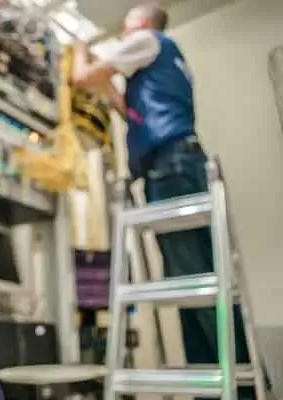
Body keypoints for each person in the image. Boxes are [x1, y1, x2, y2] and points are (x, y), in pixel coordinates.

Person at [71, 3, 256, 398]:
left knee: (196, 281)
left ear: (140, 23)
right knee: (190, 284)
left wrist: (77, 51)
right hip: (174, 166)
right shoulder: (160, 58)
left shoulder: (146, 41)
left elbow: (83, 77)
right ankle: (215, 386)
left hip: (171, 168)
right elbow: (124, 108)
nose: (122, 28)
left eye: (126, 22)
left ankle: (237, 390)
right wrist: (105, 81)